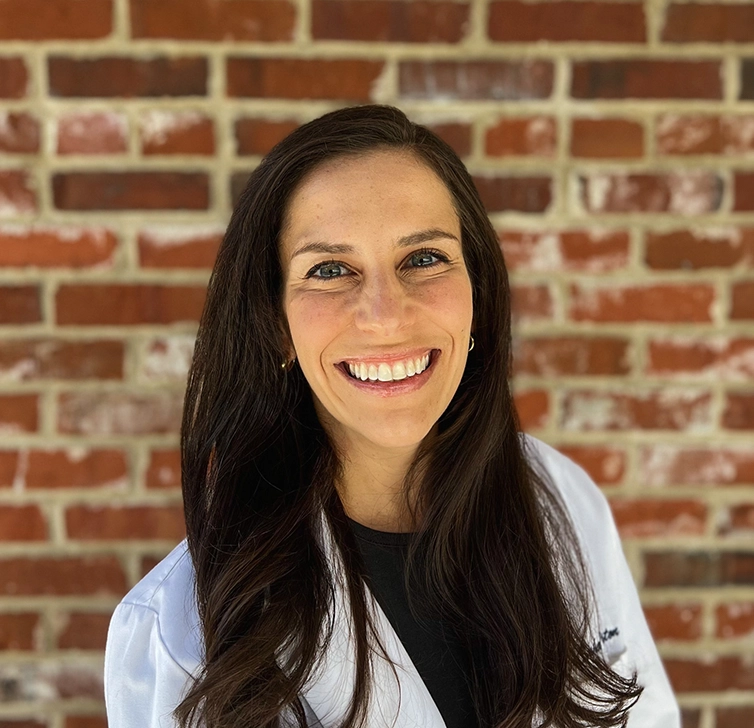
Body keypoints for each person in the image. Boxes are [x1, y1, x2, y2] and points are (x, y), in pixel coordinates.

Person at [104, 104, 681, 728]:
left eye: (424, 258)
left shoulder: (566, 505)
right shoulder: (178, 631)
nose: (385, 315)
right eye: (329, 270)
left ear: (476, 293)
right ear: (276, 325)